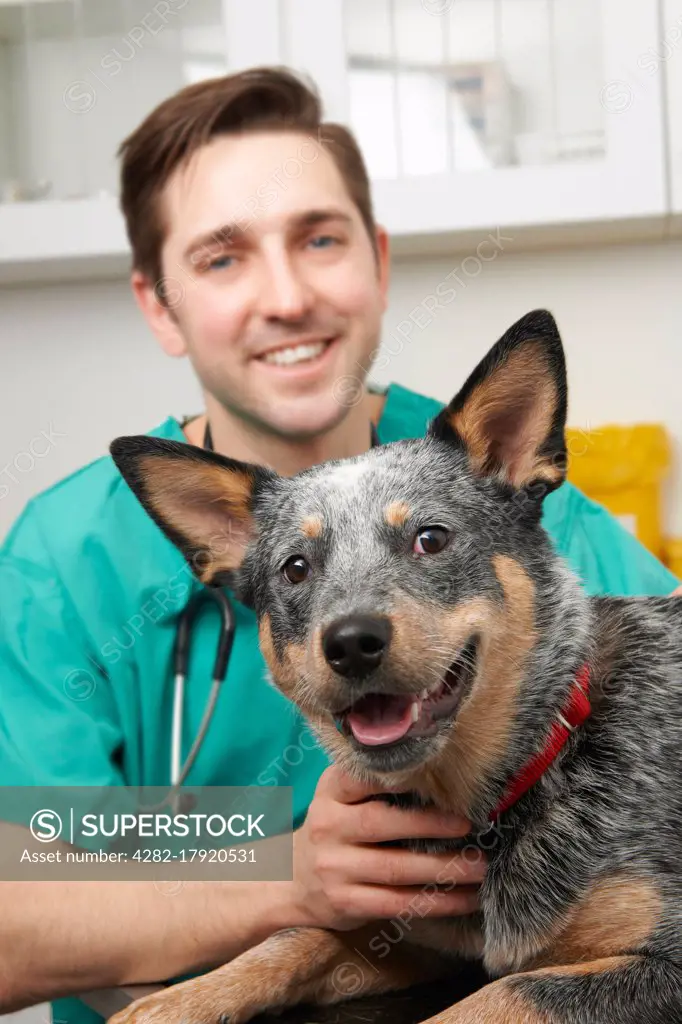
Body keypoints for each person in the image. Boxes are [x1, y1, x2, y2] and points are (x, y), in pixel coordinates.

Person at [0, 66, 678, 1024]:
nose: (287, 296)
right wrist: (280, 871)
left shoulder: (508, 498)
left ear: (378, 260)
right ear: (159, 303)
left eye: (319, 239)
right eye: (223, 257)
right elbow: (12, 908)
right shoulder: (62, 567)